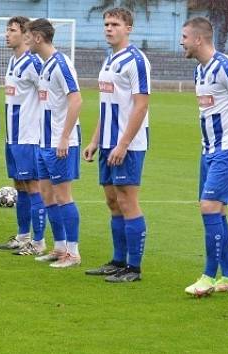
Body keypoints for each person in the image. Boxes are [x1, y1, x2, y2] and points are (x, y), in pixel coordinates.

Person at [178, 17, 228, 296]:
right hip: (210, 150)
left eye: (185, 37)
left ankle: (208, 277)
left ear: (199, 39)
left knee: (209, 207)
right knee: (217, 212)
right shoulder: (200, 72)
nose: (181, 42)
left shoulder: (226, 67)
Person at [83, 8, 150, 282]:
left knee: (127, 200)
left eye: (115, 24)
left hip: (128, 145)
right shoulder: (109, 59)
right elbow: (107, 106)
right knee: (112, 201)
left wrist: (123, 143)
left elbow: (141, 104)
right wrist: (95, 140)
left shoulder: (136, 60)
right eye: (106, 24)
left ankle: (133, 268)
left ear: (128, 28)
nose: (109, 28)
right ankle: (118, 260)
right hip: (108, 143)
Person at [26, 18, 84, 268]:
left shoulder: (61, 64)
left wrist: (64, 137)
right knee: (47, 194)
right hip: (44, 141)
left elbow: (77, 100)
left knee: (63, 195)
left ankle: (73, 252)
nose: (26, 41)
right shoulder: (45, 65)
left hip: (60, 142)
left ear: (38, 37)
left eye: (28, 36)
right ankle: (59, 247)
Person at [0, 16, 47, 256]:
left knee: (33, 186)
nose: (7, 34)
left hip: (29, 136)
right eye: (7, 29)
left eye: (12, 30)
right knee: (19, 184)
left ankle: (39, 242)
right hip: (13, 136)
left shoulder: (34, 63)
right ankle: (23, 236)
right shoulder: (13, 62)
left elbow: (46, 95)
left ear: (26, 34)